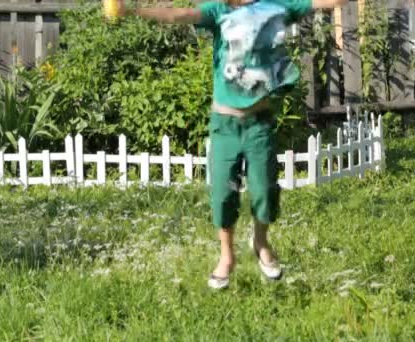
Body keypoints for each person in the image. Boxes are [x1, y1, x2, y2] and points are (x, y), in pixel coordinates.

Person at [112, 0, 348, 289]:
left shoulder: (276, 6)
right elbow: (179, 14)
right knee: (222, 194)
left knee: (264, 190)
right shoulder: (218, 11)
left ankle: (260, 242)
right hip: (224, 125)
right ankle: (226, 257)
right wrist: (132, 11)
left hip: (258, 123)